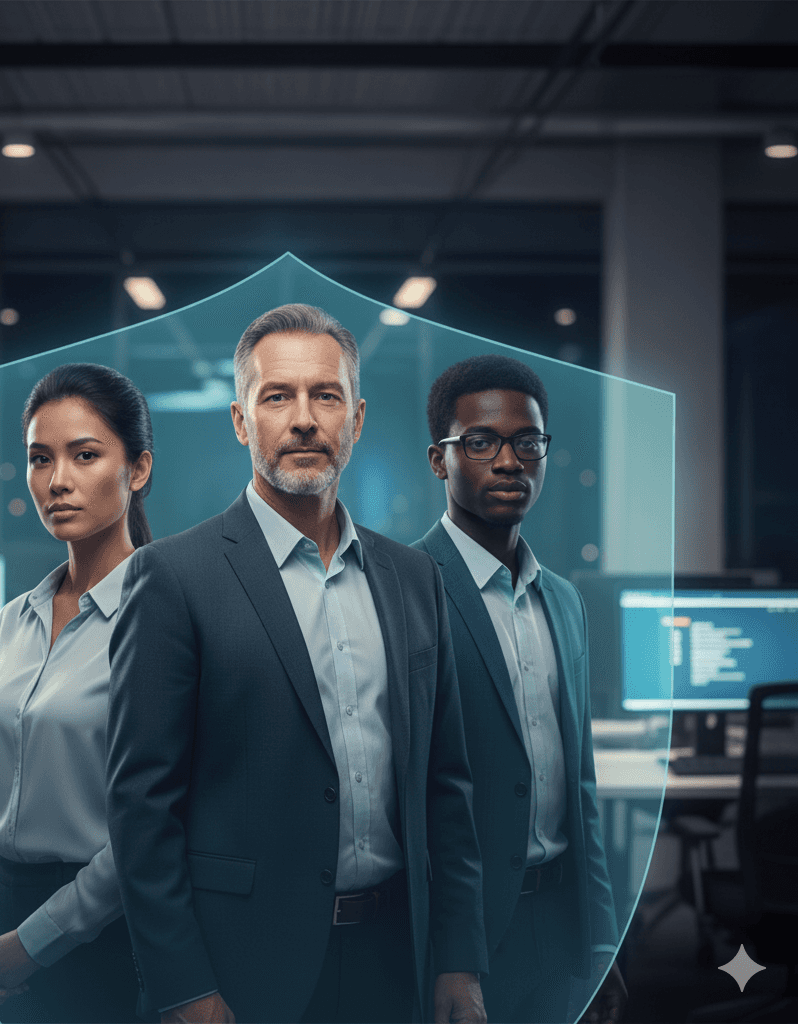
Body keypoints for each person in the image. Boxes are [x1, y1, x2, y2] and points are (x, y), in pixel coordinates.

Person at [106, 304, 487, 1024]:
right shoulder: (172, 577)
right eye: (277, 396)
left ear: (358, 418)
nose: (305, 419)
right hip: (238, 966)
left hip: (393, 958)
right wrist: (180, 984)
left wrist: (459, 961)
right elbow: (139, 810)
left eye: (326, 395)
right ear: (241, 421)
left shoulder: (414, 578)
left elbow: (448, 787)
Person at [412, 354, 628, 1024]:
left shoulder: (563, 601)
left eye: (527, 442)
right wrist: (453, 954)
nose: (509, 461)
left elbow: (581, 789)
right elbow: (412, 797)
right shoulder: (404, 590)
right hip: (463, 934)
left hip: (560, 923)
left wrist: (602, 940)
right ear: (439, 460)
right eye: (480, 442)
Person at [0, 363, 154, 1023]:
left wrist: (34, 944)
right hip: (4, 919)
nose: (58, 481)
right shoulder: (18, 616)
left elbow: (150, 830)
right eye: (41, 459)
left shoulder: (162, 621)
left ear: (138, 470)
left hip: (99, 928)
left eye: (85, 455)